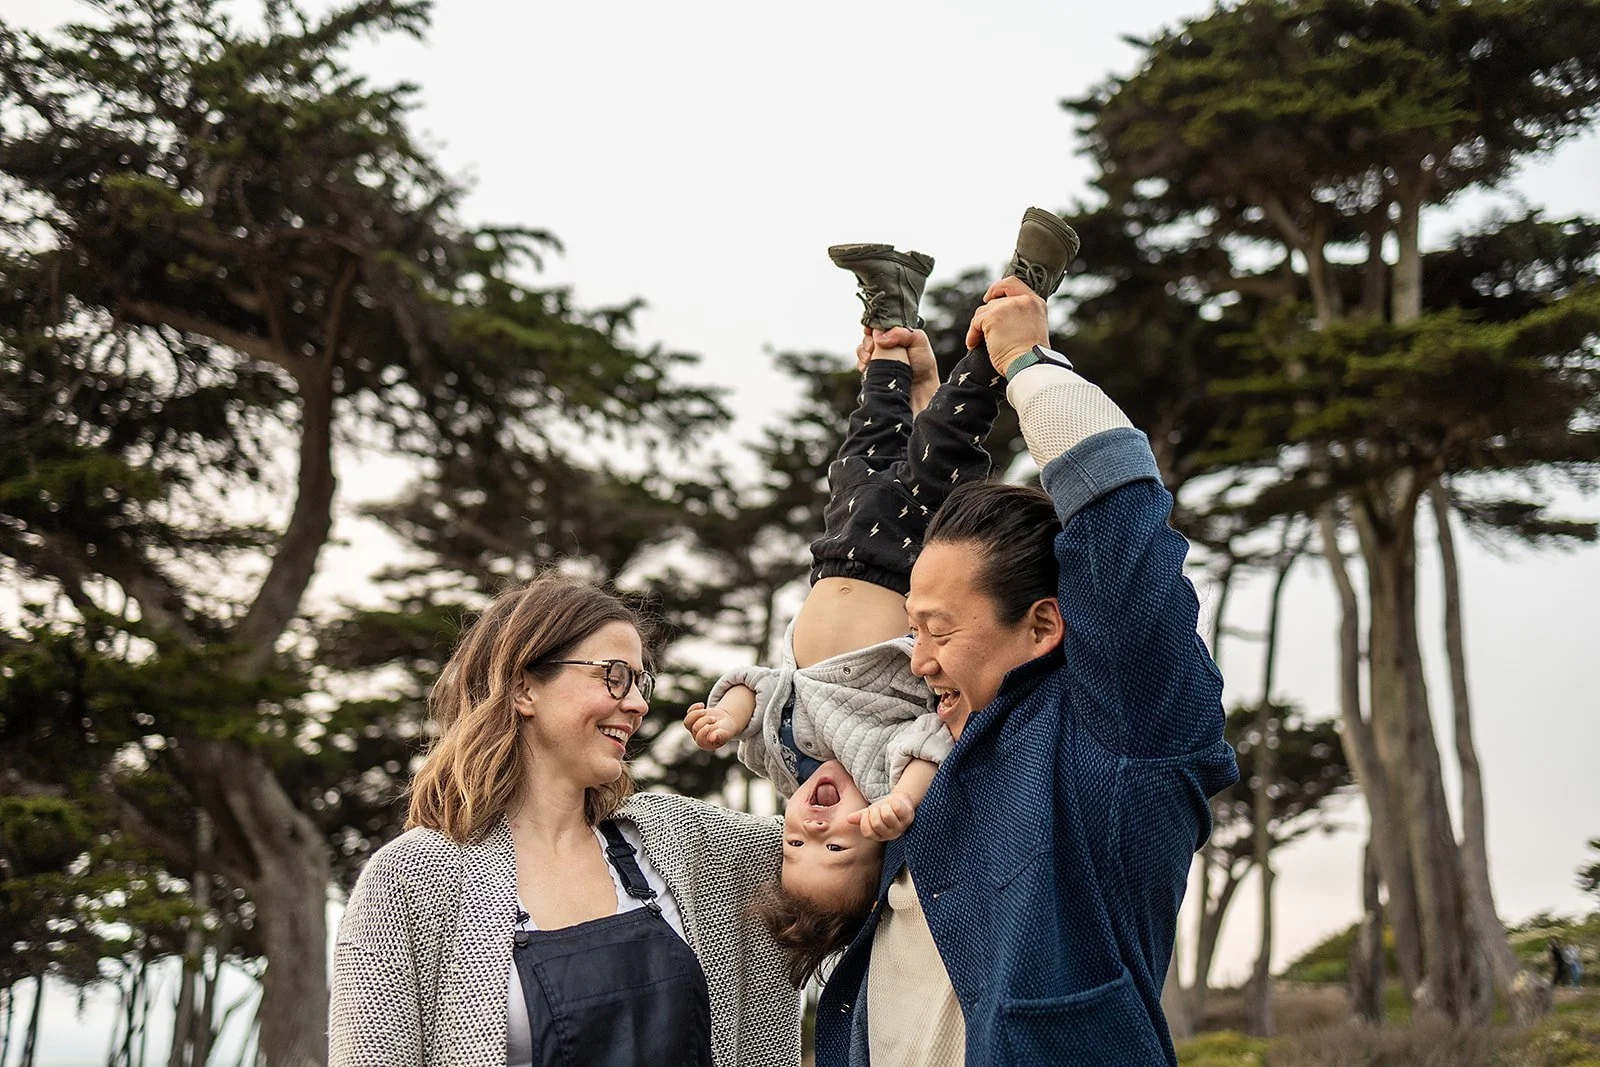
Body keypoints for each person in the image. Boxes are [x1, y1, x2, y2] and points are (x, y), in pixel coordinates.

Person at [813, 274, 1240, 1066]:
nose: (917, 657)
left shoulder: (1120, 739)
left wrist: (1028, 362)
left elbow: (1120, 527)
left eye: (938, 630)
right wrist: (929, 411)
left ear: (1044, 624)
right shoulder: (911, 750)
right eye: (913, 628)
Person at [685, 211, 1082, 985]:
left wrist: (722, 715)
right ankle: (1027, 287)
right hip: (905, 567)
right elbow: (931, 748)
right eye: (840, 844)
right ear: (878, 835)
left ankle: (894, 309)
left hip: (836, 553)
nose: (817, 821)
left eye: (797, 841)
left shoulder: (786, 755)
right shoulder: (883, 756)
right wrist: (901, 802)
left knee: (865, 447)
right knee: (948, 437)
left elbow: (759, 686)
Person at [328, 577, 799, 1067]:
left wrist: (757, 700)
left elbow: (844, 829)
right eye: (614, 675)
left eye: (641, 682)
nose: (638, 704)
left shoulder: (684, 842)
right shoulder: (411, 879)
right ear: (523, 687)